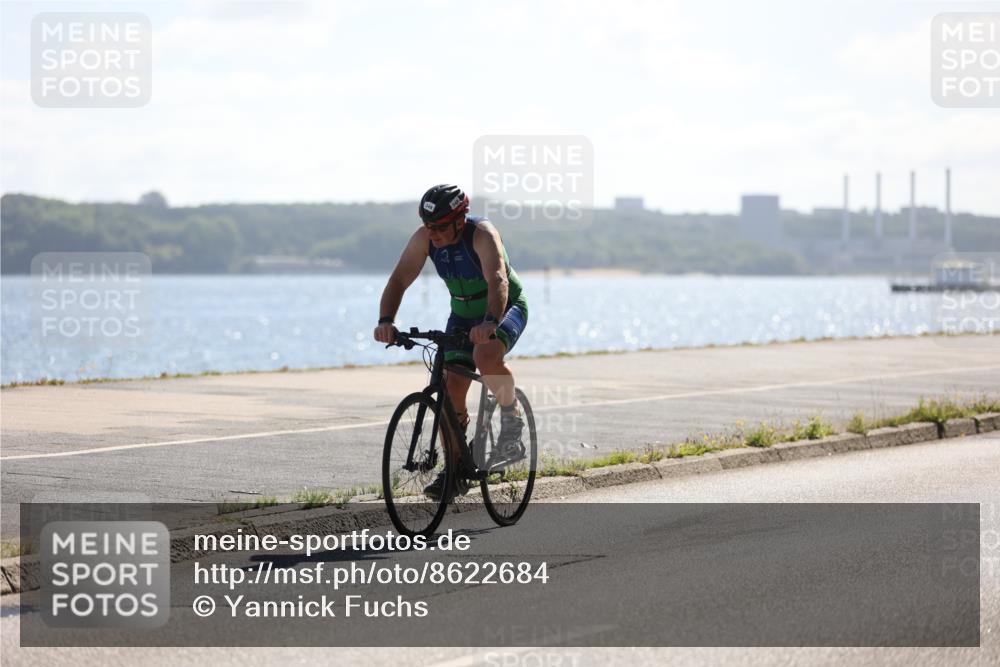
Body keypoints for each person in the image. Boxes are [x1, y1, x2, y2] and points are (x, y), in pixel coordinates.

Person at [373, 184, 528, 499]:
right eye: (428, 226)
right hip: (461, 313)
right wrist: (386, 320)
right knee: (450, 387)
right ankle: (455, 469)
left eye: (440, 226)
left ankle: (512, 420)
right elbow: (400, 278)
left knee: (486, 358)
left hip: (503, 306)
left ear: (460, 219)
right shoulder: (425, 238)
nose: (433, 233)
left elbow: (497, 279)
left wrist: (490, 322)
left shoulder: (482, 234)